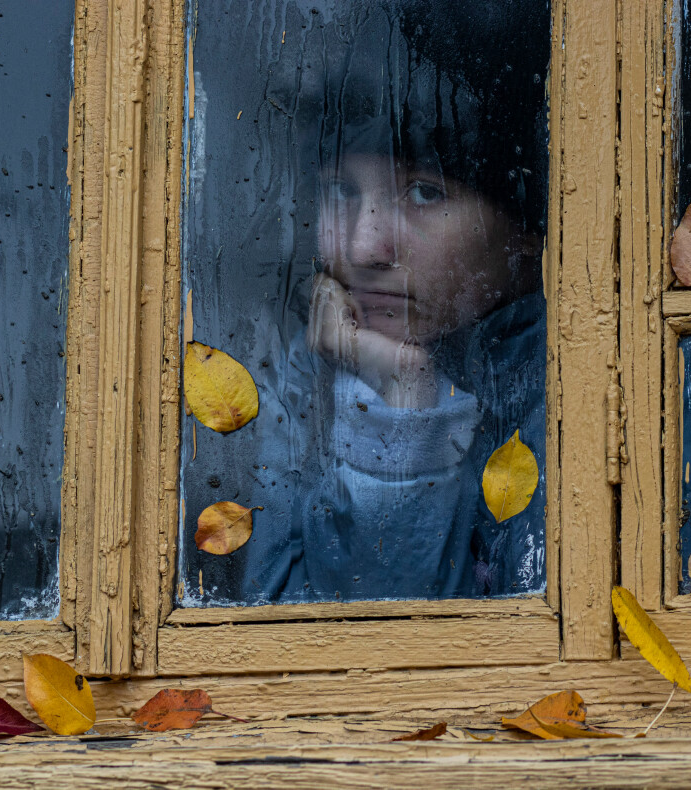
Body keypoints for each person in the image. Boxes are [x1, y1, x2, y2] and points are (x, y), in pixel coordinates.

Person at [186, 0, 549, 604]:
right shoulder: (295, 382)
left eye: (426, 193)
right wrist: (396, 400)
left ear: (525, 234)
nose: (363, 246)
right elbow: (294, 648)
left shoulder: (581, 396)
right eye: (339, 190)